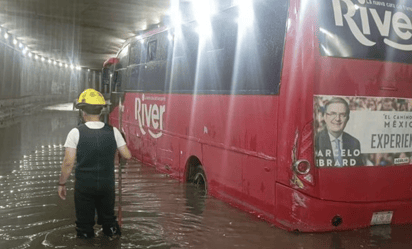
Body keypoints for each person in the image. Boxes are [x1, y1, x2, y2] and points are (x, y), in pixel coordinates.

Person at [57, 88, 131, 238]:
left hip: (84, 187)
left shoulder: (75, 133)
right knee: (109, 222)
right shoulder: (114, 131)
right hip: (107, 185)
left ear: (82, 111)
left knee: (84, 226)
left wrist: (62, 183)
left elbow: (68, 163)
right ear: (100, 111)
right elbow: (127, 155)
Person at [315, 97, 363, 167]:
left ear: (347, 118)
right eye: (333, 114)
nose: (337, 119)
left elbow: (358, 171)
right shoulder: (315, 141)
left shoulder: (354, 143)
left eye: (342, 115)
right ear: (325, 117)